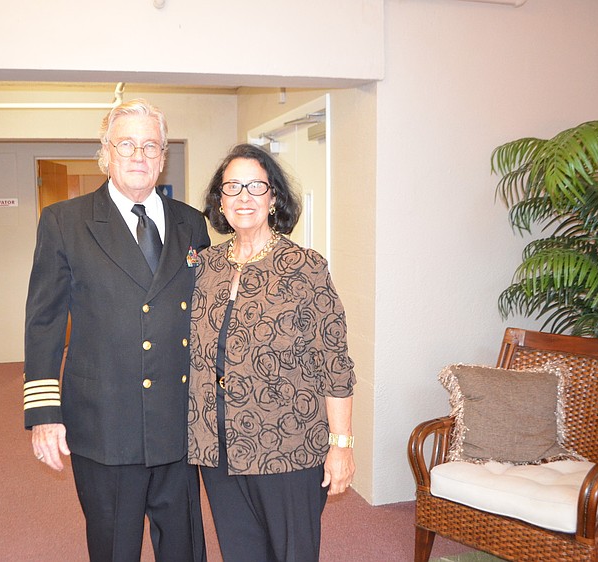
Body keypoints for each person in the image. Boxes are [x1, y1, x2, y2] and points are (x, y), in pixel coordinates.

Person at [23, 98, 210, 562]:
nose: (139, 156)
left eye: (151, 145)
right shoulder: (65, 221)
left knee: (183, 547)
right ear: (105, 153)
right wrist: (44, 414)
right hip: (105, 422)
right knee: (114, 548)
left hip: (177, 420)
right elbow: (44, 319)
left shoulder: (191, 222)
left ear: (163, 157)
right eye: (126, 144)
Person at [188, 143, 356, 562]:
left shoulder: (305, 267)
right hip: (217, 446)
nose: (244, 196)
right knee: (240, 553)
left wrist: (341, 445)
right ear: (219, 201)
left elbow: (335, 364)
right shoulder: (205, 266)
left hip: (288, 446)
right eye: (232, 187)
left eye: (256, 186)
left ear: (273, 197)